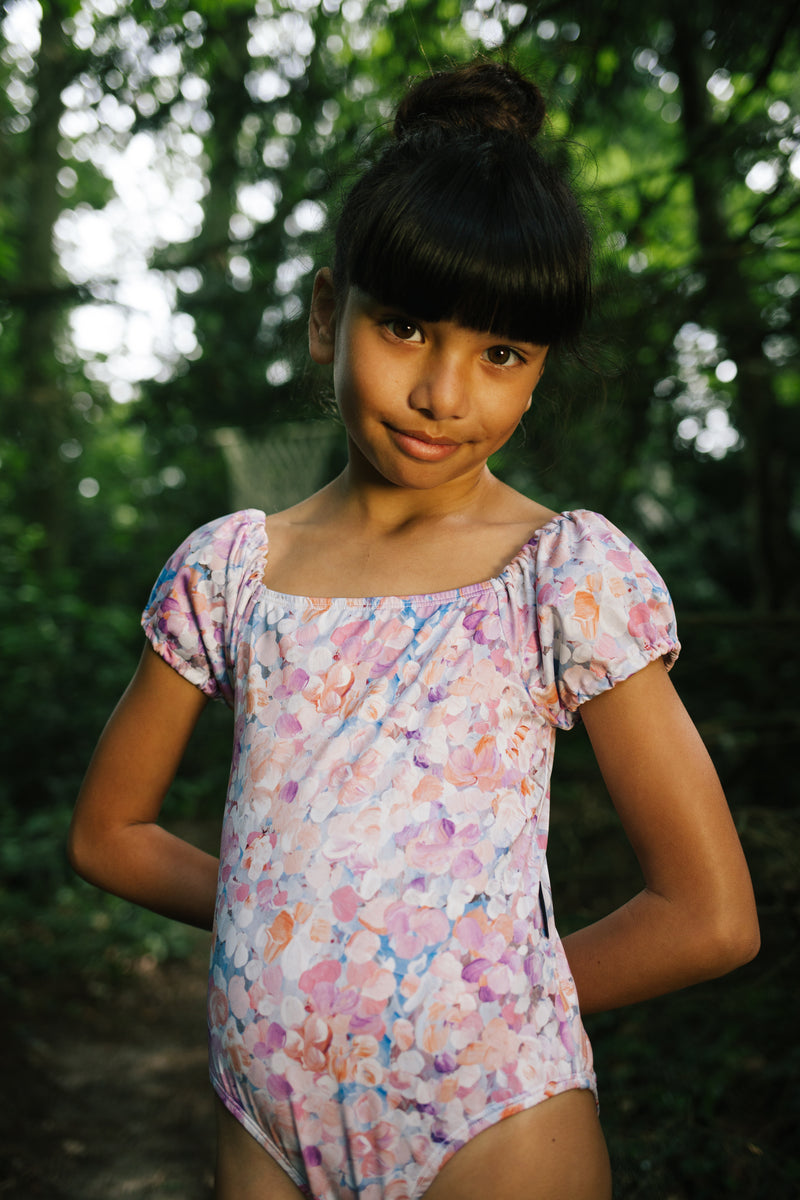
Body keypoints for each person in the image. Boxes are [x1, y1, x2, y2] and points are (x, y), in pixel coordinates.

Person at [68, 59, 759, 1200]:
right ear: (328, 314)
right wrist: (289, 918)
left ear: (536, 374)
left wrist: (469, 997)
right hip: (264, 1120)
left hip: (494, 1121)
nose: (445, 393)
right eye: (404, 329)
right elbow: (108, 834)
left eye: (501, 354)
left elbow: (709, 915)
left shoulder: (558, 576)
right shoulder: (230, 572)